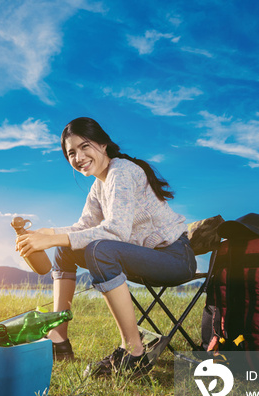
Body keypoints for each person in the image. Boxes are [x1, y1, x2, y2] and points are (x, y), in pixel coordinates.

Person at [16, 117, 196, 378]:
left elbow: (115, 231)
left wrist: (53, 238)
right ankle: (59, 340)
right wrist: (48, 233)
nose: (78, 157)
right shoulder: (98, 186)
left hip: (175, 259)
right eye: (71, 153)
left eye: (84, 146)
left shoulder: (122, 171)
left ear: (102, 144)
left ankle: (134, 352)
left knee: (99, 249)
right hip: (144, 258)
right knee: (66, 249)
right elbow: (83, 227)